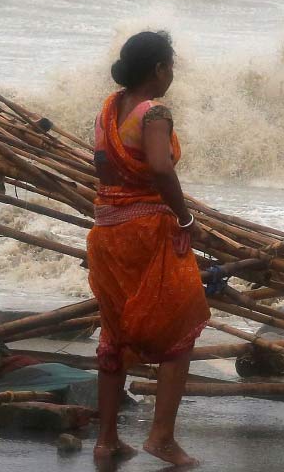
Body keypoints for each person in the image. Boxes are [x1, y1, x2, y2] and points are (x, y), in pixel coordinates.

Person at [87, 30, 210, 467]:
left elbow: (105, 168)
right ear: (159, 69)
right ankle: (161, 438)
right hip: (147, 232)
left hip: (106, 232)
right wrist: (185, 217)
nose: (172, 74)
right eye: (170, 65)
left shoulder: (108, 110)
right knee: (182, 322)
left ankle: (106, 440)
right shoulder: (154, 112)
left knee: (115, 331)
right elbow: (159, 167)